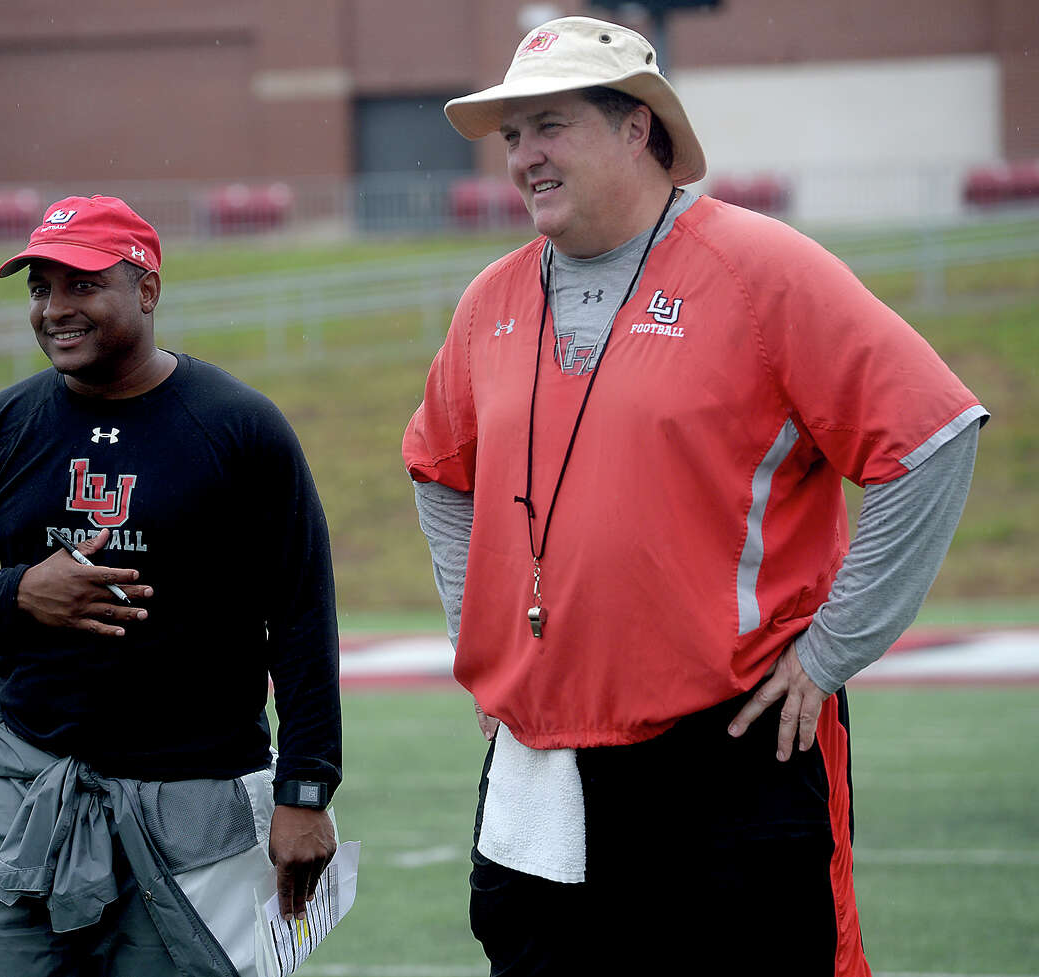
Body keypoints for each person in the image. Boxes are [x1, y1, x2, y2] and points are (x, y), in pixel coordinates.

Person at [402, 16, 986, 976]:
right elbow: (437, 467)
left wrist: (831, 651)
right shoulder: (489, 303)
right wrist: (488, 640)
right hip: (541, 766)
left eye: (549, 126)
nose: (524, 156)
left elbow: (931, 437)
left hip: (731, 750)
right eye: (512, 135)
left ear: (637, 127)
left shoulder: (761, 270)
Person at [0, 194, 342, 975]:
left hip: (193, 798)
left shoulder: (239, 426)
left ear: (148, 289)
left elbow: (302, 614)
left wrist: (305, 790)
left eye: (83, 284)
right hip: (26, 785)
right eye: (41, 288)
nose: (54, 308)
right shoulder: (2, 426)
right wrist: (20, 593)